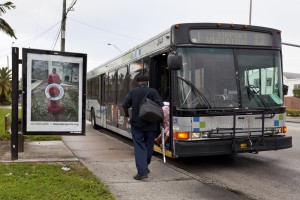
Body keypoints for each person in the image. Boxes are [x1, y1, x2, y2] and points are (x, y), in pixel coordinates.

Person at [122, 75, 163, 180]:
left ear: (137, 83)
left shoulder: (133, 92)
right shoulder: (153, 92)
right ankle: (145, 167)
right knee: (149, 148)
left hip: (137, 125)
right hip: (151, 124)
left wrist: (127, 115)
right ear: (147, 82)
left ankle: (142, 172)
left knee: (139, 147)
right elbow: (161, 106)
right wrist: (161, 121)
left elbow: (124, 105)